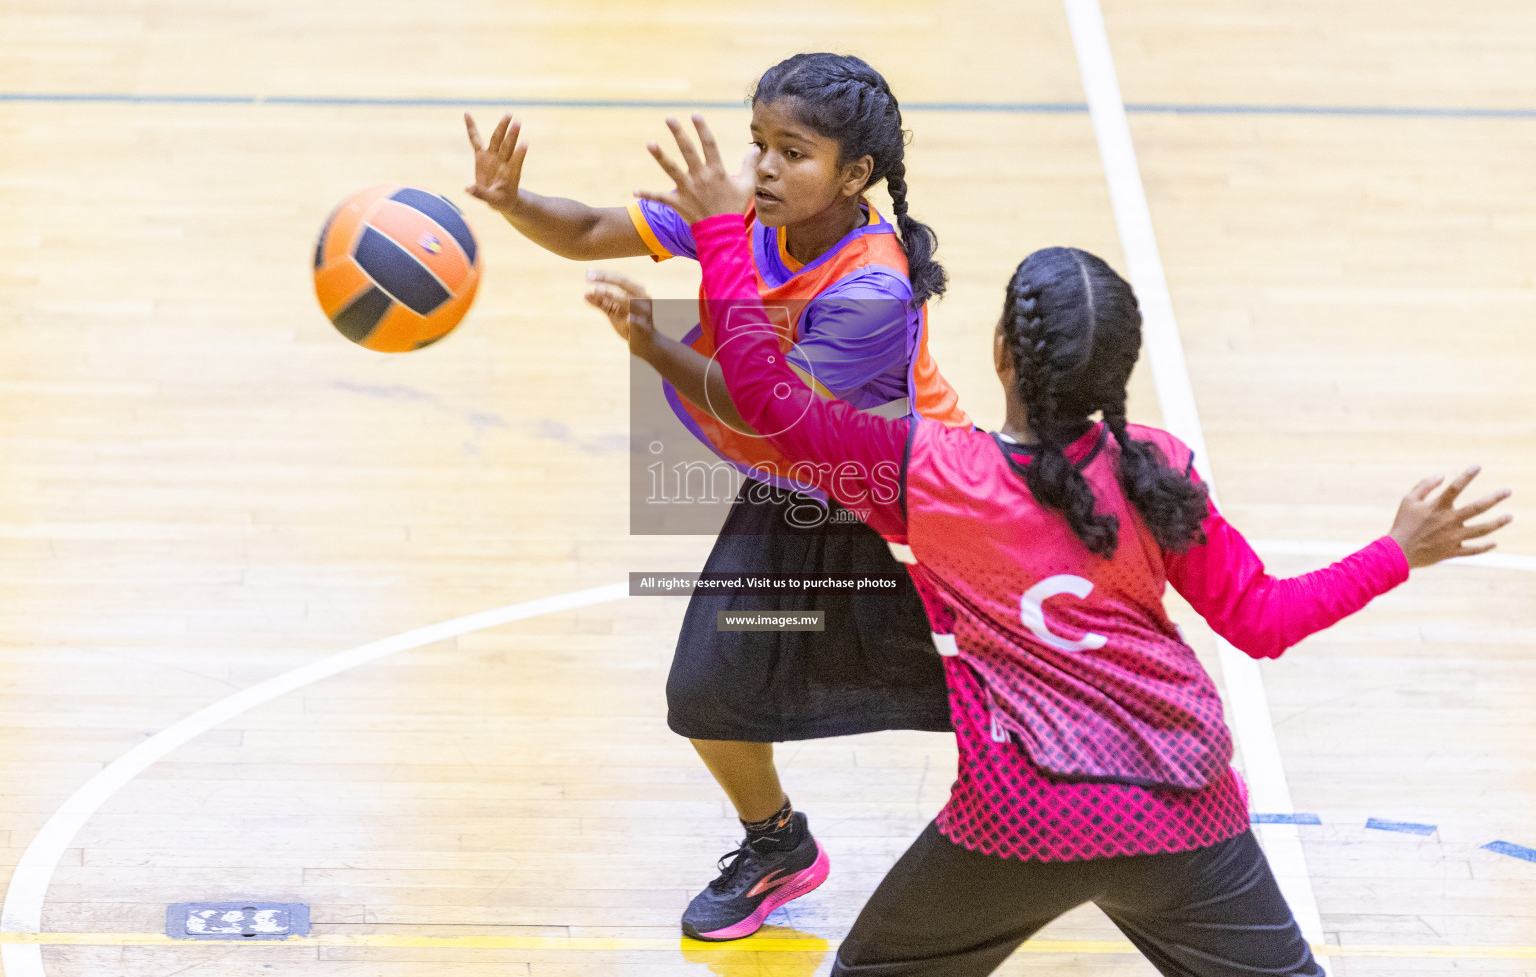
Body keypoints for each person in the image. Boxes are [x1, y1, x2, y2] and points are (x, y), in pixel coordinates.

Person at [586, 115, 1514, 974]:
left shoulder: (934, 473)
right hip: (1186, 810)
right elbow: (1266, 621)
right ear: (1120, 370)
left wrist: (715, 238)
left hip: (1022, 821)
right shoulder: (1161, 472)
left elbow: (767, 398)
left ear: (999, 353)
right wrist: (1399, 549)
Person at [468, 53, 971, 940]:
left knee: (999, 697)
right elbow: (587, 229)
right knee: (704, 688)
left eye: (794, 151)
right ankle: (776, 843)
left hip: (918, 510)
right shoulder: (738, 211)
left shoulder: (873, 290)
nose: (766, 167)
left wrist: (656, 346)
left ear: (856, 176)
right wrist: (513, 202)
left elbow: (772, 408)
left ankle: (1100, 803)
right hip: (796, 494)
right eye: (759, 144)